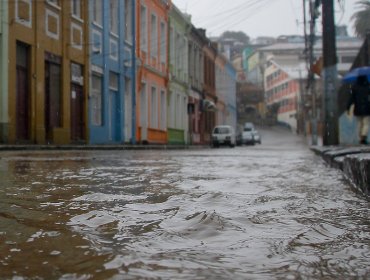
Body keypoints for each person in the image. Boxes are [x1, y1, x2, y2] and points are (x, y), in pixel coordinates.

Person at [346, 75, 370, 144]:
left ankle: (360, 137)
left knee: (359, 123)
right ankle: (363, 136)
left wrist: (348, 107)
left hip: (358, 109)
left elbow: (351, 99)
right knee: (366, 123)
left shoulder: (355, 88)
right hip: (367, 108)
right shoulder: (368, 87)